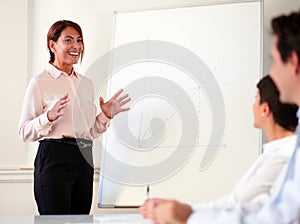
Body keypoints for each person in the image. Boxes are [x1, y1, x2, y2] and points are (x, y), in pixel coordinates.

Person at [141, 10, 300, 224]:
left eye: (274, 61)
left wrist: (188, 215)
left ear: (293, 61)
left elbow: (275, 215)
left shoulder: (284, 153)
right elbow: (266, 205)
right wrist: (186, 212)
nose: (272, 72)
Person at [139, 75, 298, 223]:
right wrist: (183, 210)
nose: (252, 106)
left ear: (265, 110)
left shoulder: (285, 155)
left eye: (255, 99)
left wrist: (186, 212)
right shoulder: (275, 152)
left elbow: (237, 204)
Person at [18, 20, 130, 215]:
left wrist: (105, 115)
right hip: (54, 157)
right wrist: (48, 117)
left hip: (84, 158)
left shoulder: (86, 84)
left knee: (81, 221)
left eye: (79, 40)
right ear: (52, 45)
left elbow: (89, 131)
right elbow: (24, 132)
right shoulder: (39, 83)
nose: (76, 46)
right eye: (68, 40)